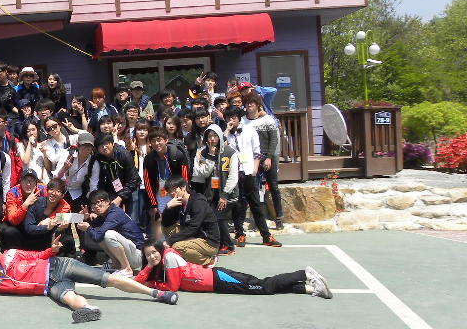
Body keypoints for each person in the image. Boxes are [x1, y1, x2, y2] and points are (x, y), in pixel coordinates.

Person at [0, 234, 178, 324]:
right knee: (68, 299)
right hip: (50, 286)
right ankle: (90, 309)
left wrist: (52, 250)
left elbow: (36, 256)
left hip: (59, 265)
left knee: (107, 279)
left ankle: (157, 293)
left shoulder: (10, 255)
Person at [137, 241, 333, 299]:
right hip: (217, 282)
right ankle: (309, 288)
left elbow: (172, 287)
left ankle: (305, 274)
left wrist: (151, 283)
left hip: (219, 279)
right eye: (148, 255)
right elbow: (138, 281)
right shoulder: (161, 262)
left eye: (154, 252)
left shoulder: (169, 258)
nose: (152, 257)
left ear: (160, 250)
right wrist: (149, 268)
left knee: (263, 286)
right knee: (262, 287)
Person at [223, 106, 281, 247]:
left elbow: (257, 150)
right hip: (234, 173)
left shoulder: (249, 130)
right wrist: (227, 131)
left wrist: (255, 168)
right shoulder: (226, 134)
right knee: (238, 205)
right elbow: (221, 149)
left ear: (239, 118)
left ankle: (266, 236)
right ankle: (239, 234)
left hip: (249, 171)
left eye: (234, 117)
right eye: (228, 118)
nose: (231, 120)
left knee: (256, 204)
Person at [191, 125, 240, 256]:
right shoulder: (202, 153)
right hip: (210, 193)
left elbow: (233, 176)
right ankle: (221, 244)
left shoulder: (230, 152)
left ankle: (228, 245)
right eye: (209, 136)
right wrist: (211, 157)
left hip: (227, 194)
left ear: (220, 137)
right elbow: (202, 173)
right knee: (213, 219)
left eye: (215, 136)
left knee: (218, 218)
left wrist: (225, 195)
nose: (212, 139)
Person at [243, 92, 284, 231]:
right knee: (254, 189)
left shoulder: (267, 119)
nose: (249, 105)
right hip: (251, 159)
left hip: (267, 156)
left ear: (258, 105)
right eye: (247, 103)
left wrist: (269, 157)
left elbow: (274, 139)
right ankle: (258, 220)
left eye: (252, 103)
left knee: (273, 187)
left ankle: (279, 218)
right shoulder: (243, 121)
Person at [159, 175, 219, 266]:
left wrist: (170, 241)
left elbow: (194, 227)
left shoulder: (197, 202)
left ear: (183, 188)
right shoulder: (179, 202)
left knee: (177, 246)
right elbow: (166, 224)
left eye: (174, 190)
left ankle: (209, 260)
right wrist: (168, 208)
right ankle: (189, 254)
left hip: (208, 241)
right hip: (194, 236)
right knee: (166, 228)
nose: (172, 193)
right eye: (170, 191)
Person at [80, 190, 145, 272]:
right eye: (93, 204)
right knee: (100, 233)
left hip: (138, 256)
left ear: (107, 202)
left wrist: (88, 228)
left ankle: (126, 269)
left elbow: (96, 236)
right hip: (130, 253)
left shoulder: (114, 214)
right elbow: (91, 227)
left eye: (98, 202)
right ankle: (116, 263)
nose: (96, 206)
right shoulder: (106, 213)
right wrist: (86, 218)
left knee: (108, 234)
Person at [142, 128, 189, 223]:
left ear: (166, 140)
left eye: (159, 140)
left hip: (176, 191)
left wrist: (182, 195)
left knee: (178, 220)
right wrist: (153, 204)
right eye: (153, 141)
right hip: (160, 193)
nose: (156, 143)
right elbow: (148, 183)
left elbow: (184, 178)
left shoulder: (177, 154)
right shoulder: (149, 159)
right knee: (161, 219)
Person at [23, 176, 75, 254]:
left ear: (62, 195)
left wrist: (59, 229)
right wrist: (46, 227)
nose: (53, 193)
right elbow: (29, 228)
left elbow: (76, 219)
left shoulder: (64, 208)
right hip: (35, 239)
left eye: (58, 191)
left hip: (52, 241)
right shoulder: (36, 203)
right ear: (47, 191)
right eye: (51, 189)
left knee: (69, 240)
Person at [0, 170, 43, 249]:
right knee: (5, 230)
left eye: (32, 180)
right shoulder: (12, 193)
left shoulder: (44, 190)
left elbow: (64, 206)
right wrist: (26, 204)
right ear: (20, 181)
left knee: (61, 226)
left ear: (36, 182)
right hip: (18, 224)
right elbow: (13, 219)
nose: (28, 184)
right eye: (25, 180)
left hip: (37, 224)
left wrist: (52, 219)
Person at [93, 134, 140, 210]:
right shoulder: (99, 158)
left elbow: (133, 180)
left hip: (131, 188)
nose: (104, 147)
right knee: (112, 213)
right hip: (114, 189)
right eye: (101, 146)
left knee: (132, 216)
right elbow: (101, 180)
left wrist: (120, 197)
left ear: (112, 143)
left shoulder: (124, 155)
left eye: (106, 144)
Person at [57, 132, 99, 210]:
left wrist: (92, 203)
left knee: (81, 214)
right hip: (61, 190)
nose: (87, 149)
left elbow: (93, 185)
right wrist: (64, 168)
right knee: (59, 215)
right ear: (78, 145)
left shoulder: (93, 163)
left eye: (89, 146)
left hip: (77, 192)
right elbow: (56, 177)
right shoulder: (67, 155)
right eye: (84, 145)